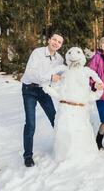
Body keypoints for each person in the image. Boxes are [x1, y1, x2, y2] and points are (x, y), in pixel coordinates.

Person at [43, 47, 104, 163]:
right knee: (64, 131)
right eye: (70, 53)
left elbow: (100, 85)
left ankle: (83, 155)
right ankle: (63, 156)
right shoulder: (63, 70)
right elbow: (47, 78)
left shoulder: (86, 71)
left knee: (81, 132)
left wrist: (97, 89)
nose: (73, 55)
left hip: (81, 109)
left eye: (78, 53)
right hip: (65, 109)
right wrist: (48, 87)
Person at [20, 32, 64, 167]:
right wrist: (50, 77)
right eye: (54, 40)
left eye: (59, 42)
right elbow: (31, 74)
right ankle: (28, 156)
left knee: (55, 119)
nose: (56, 43)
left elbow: (59, 79)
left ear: (61, 45)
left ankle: (62, 148)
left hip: (44, 90)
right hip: (30, 89)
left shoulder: (60, 59)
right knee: (31, 123)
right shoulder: (37, 53)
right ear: (49, 40)